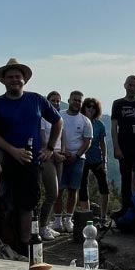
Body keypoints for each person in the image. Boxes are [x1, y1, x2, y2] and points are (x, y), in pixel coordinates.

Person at [0, 58, 61, 255]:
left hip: (30, 157)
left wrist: (50, 148)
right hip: (4, 152)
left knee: (28, 204)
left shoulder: (37, 100)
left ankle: (25, 245)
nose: (14, 80)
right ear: (4, 80)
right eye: (10, 77)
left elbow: (58, 121)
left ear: (24, 79)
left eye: (18, 76)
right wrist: (13, 150)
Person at [55, 90, 93, 232]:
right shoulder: (59, 116)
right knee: (58, 190)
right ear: (69, 100)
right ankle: (57, 220)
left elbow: (87, 141)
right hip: (59, 157)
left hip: (78, 159)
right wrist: (62, 152)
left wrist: (76, 155)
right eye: (74, 100)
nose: (77, 103)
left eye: (79, 101)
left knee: (73, 190)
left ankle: (68, 219)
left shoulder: (85, 121)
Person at [111, 75, 135, 206]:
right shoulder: (118, 103)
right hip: (124, 146)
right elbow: (114, 127)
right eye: (130, 85)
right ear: (125, 85)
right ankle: (126, 208)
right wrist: (116, 148)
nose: (132, 88)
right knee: (126, 179)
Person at [38, 90, 66, 241]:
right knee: (52, 193)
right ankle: (42, 227)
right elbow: (43, 140)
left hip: (59, 157)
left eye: (58, 101)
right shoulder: (43, 118)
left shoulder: (59, 118)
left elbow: (63, 136)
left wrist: (63, 152)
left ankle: (46, 225)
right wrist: (54, 153)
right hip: (47, 157)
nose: (55, 103)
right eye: (53, 100)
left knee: (56, 194)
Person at [78, 97, 110, 223]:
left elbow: (103, 143)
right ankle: (86, 217)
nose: (91, 109)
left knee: (104, 187)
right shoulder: (80, 122)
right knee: (83, 188)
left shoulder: (100, 125)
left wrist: (104, 160)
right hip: (83, 159)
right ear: (84, 108)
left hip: (97, 159)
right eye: (88, 106)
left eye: (94, 107)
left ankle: (103, 216)